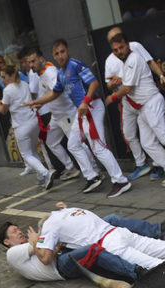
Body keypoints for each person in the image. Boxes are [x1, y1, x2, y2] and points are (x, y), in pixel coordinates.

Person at [26, 39, 131, 198]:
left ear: (68, 50)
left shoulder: (76, 64)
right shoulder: (61, 73)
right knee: (73, 144)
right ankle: (92, 177)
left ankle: (121, 181)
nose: (61, 56)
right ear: (53, 56)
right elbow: (55, 93)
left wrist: (85, 102)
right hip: (81, 112)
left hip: (91, 107)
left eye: (62, 51)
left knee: (98, 147)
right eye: (57, 53)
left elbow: (94, 83)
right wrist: (36, 102)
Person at [33, 203, 165, 272]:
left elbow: (45, 259)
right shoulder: (69, 211)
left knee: (158, 266)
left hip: (110, 244)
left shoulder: (50, 225)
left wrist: (36, 243)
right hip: (119, 232)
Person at [0, 208, 165, 282]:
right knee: (94, 249)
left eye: (17, 229)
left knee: (109, 220)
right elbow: (46, 256)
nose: (19, 232)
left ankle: (158, 231)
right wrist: (37, 239)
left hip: (60, 254)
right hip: (60, 267)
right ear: (7, 242)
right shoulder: (13, 254)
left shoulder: (33, 244)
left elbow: (49, 246)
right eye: (14, 232)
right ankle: (136, 271)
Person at [107, 32, 165, 188]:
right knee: (147, 143)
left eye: (122, 47)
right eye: (116, 49)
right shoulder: (125, 62)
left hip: (151, 102)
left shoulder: (134, 59)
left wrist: (112, 98)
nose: (120, 51)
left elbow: (127, 88)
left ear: (128, 44)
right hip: (142, 107)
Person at [24, 48, 82, 182]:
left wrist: (35, 101)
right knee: (50, 141)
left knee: (77, 144)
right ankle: (71, 168)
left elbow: (57, 91)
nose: (31, 64)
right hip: (56, 116)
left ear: (41, 59)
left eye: (33, 61)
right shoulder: (41, 73)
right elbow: (49, 94)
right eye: (29, 62)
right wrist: (40, 104)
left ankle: (94, 172)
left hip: (66, 113)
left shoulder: (49, 72)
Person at [0, 66, 56, 190]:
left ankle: (45, 173)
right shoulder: (24, 84)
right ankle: (41, 178)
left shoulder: (7, 90)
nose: (2, 80)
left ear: (12, 75)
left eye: (4, 77)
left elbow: (3, 110)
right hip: (33, 121)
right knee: (33, 150)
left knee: (26, 154)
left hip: (21, 126)